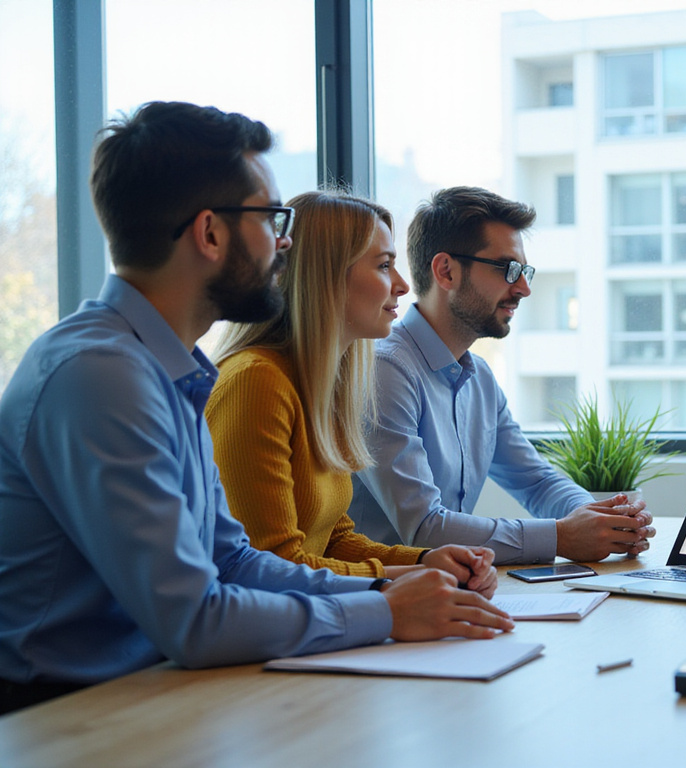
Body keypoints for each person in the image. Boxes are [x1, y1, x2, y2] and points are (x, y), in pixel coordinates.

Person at [0, 102, 511, 715]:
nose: (285, 241)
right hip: (66, 713)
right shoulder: (101, 376)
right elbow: (194, 618)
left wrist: (393, 584)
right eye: (271, 219)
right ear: (210, 233)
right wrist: (385, 609)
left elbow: (234, 560)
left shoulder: (168, 369)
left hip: (151, 692)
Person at [205, 190, 495, 596]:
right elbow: (273, 566)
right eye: (384, 265)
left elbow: (334, 539)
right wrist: (402, 579)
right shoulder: (256, 382)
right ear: (326, 276)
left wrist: (426, 561)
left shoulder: (323, 385)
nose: (402, 285)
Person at [346, 186, 655, 564]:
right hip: (380, 590)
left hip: (453, 585)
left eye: (525, 271)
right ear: (446, 271)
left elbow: (536, 481)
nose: (524, 288)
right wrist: (562, 537)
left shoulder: (479, 378)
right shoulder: (384, 370)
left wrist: (604, 518)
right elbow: (425, 528)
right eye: (509, 269)